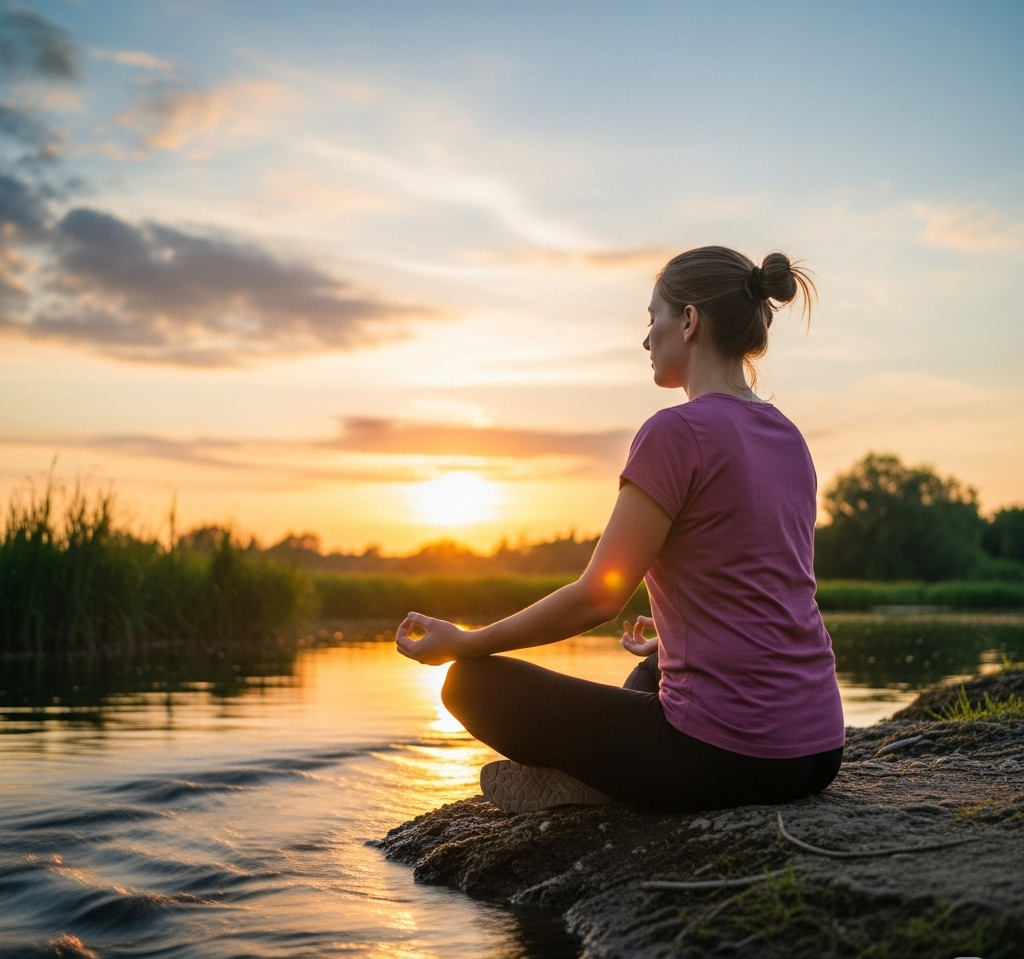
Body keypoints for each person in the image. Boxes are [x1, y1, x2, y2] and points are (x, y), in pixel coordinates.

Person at [395, 246, 845, 814]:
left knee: (468, 684)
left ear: (689, 321)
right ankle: (607, 771)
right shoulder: (789, 437)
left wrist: (469, 639)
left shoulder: (675, 433)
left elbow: (599, 596)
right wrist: (676, 641)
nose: (646, 337)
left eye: (652, 316)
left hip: (726, 758)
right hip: (818, 750)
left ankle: (587, 787)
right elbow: (775, 588)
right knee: (650, 670)